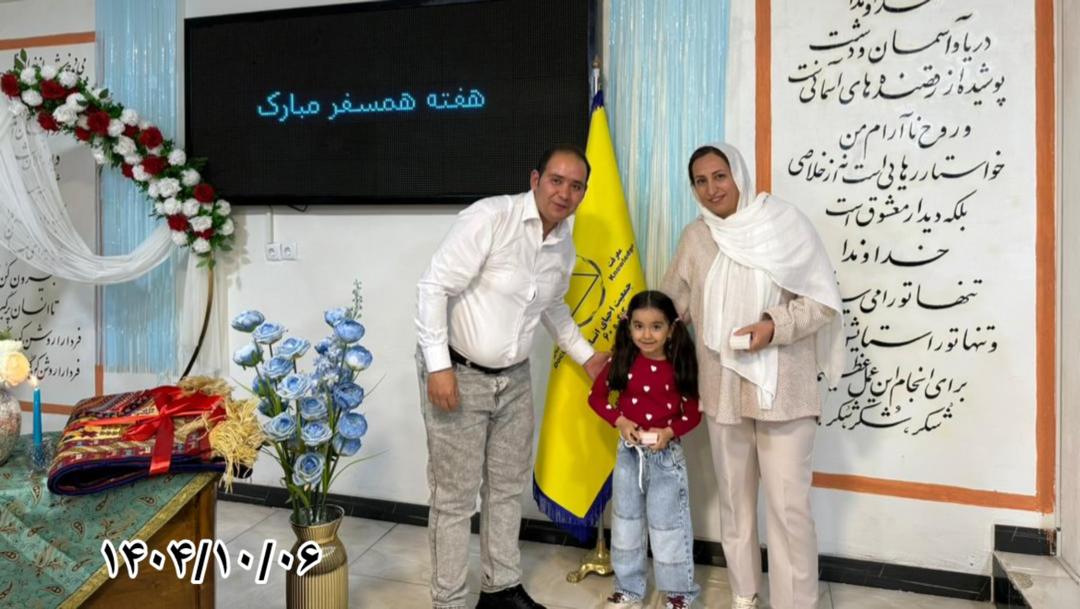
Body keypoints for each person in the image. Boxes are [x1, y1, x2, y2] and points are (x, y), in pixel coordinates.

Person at [415, 145, 609, 609]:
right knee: (455, 498)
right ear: (535, 179)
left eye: (576, 186)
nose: (564, 193)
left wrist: (587, 357)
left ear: (583, 193)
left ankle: (500, 589)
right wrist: (439, 366)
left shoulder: (564, 241)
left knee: (506, 489)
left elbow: (553, 306)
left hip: (514, 381)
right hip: (459, 374)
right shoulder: (491, 218)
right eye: (556, 180)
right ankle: (448, 600)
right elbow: (433, 286)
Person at [661, 143, 844, 609]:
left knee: (788, 508)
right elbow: (670, 306)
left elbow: (822, 301)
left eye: (719, 176)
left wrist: (772, 326)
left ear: (738, 174)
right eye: (701, 181)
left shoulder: (784, 224)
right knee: (734, 504)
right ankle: (744, 595)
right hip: (722, 389)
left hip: (785, 390)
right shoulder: (696, 238)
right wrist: (635, 337)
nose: (712, 189)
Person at [587, 290, 702, 609]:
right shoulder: (621, 361)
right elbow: (596, 398)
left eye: (656, 326)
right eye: (638, 326)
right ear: (629, 327)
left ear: (672, 329)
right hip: (629, 456)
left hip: (667, 460)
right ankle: (628, 588)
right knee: (626, 523)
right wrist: (620, 421)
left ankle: (679, 593)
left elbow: (693, 414)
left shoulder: (679, 364)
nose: (646, 335)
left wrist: (670, 432)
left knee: (669, 528)